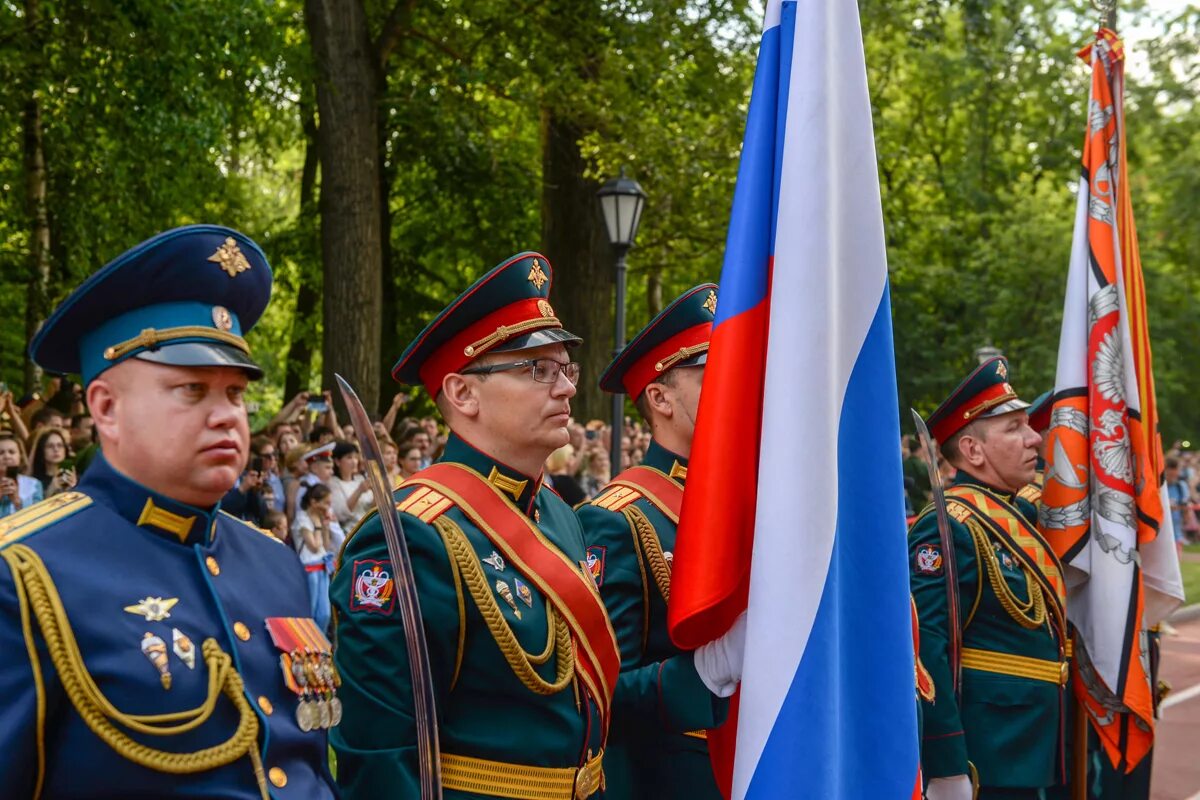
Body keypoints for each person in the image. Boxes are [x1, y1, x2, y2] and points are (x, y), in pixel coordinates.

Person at [0, 225, 337, 796]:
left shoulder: (271, 561)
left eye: (235, 393)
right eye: (192, 389)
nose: (228, 415)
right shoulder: (24, 571)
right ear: (106, 408)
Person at [331, 252, 619, 798]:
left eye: (565, 369)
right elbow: (379, 759)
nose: (565, 389)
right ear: (463, 394)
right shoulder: (413, 535)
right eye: (538, 369)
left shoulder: (557, 513)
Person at [576, 285, 740, 799]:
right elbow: (600, 694)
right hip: (680, 775)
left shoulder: (750, 502)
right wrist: (707, 671)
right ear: (660, 397)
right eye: (711, 371)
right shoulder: (620, 519)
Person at [910, 357, 1066, 800]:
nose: (1034, 438)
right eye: (1015, 427)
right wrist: (945, 763)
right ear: (974, 451)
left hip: (1035, 747)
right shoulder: (948, 526)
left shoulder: (1022, 514)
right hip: (989, 755)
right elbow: (928, 649)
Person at [294, 482, 335, 631]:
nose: (328, 507)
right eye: (326, 503)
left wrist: (325, 526)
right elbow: (313, 545)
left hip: (322, 567)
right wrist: (317, 525)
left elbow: (325, 545)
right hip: (309, 568)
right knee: (310, 611)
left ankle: (322, 644)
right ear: (314, 502)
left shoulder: (319, 518)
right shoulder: (302, 518)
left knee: (324, 614)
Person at [328, 440, 372, 529]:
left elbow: (370, 507)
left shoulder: (360, 479)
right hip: (351, 531)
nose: (354, 461)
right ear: (337, 462)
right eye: (349, 457)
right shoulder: (333, 483)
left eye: (356, 457)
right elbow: (341, 514)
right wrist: (359, 491)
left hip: (368, 526)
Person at [0, 431, 42, 517]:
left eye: (12, 452)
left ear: (20, 456)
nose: (7, 456)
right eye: (1, 453)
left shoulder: (34, 484)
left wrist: (17, 502)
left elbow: (38, 516)